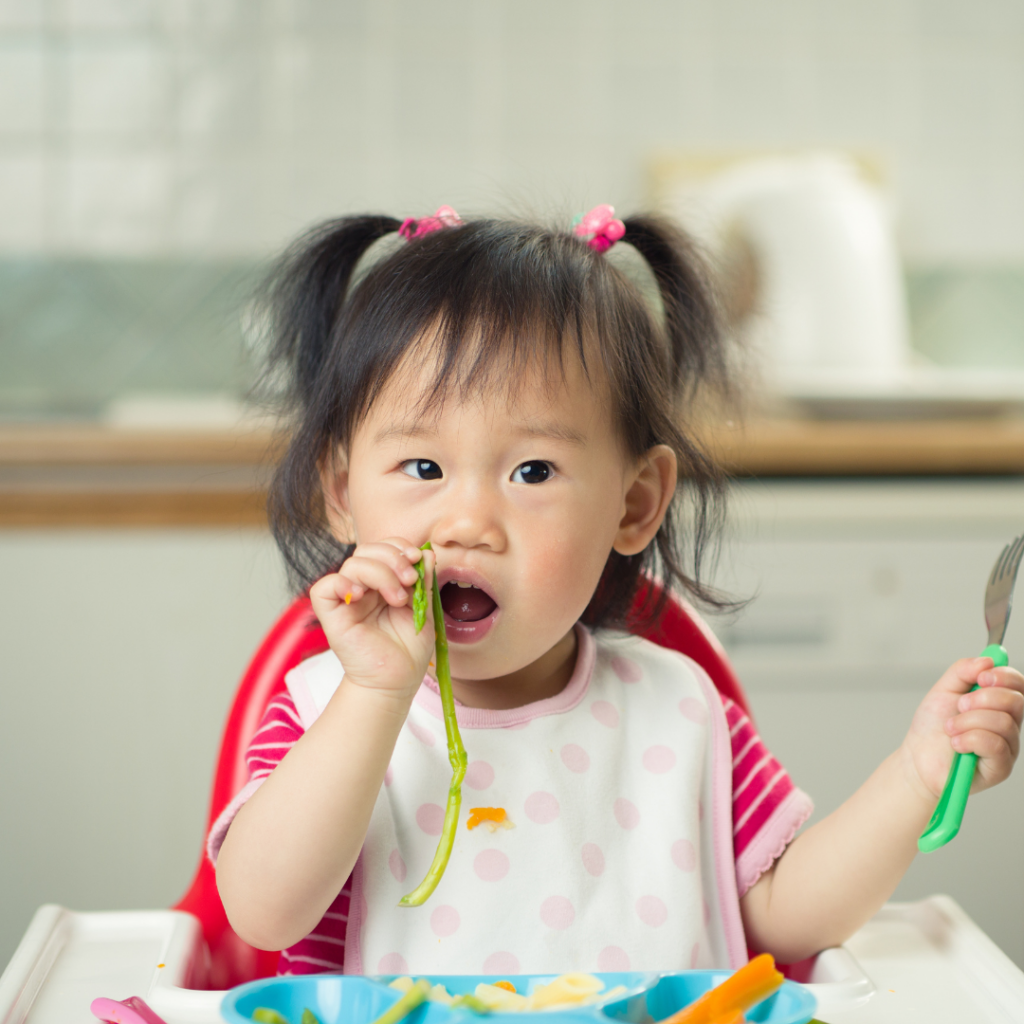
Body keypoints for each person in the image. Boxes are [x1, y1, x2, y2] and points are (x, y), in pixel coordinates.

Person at [212, 205, 1024, 977]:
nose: (466, 522)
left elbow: (782, 918)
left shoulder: (675, 708)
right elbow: (262, 913)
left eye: (532, 471)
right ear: (343, 492)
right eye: (422, 468)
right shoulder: (322, 709)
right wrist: (376, 693)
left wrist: (916, 778)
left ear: (633, 504)